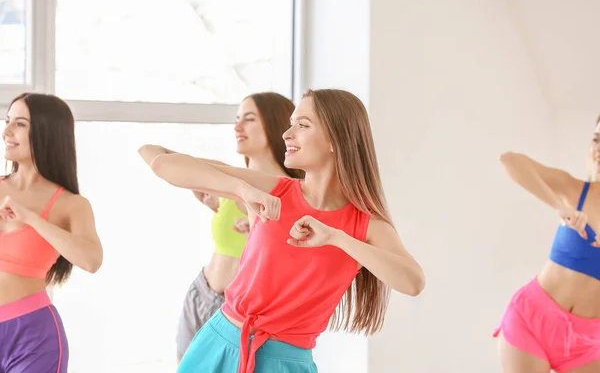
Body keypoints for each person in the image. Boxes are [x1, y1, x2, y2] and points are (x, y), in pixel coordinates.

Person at [139, 88, 425, 373]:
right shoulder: (271, 189)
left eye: (302, 125)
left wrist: (336, 238)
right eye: (290, 124)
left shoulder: (366, 225)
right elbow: (164, 164)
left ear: (336, 139)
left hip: (285, 362)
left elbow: (413, 282)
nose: (287, 134)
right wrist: (242, 189)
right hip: (217, 343)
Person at [172, 92, 303, 361]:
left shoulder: (295, 193)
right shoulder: (229, 181)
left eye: (249, 118)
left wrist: (262, 231)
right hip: (201, 293)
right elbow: (157, 157)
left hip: (238, 315)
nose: (237, 127)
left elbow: (296, 264)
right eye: (237, 119)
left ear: (276, 125)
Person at [0, 93, 103, 372]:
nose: (6, 131)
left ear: (47, 131)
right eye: (8, 121)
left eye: (19, 124)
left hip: (33, 338)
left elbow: (91, 260)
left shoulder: (72, 205)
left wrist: (33, 219)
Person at [494, 116, 600, 373]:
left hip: (588, 343)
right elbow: (510, 160)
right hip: (531, 321)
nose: (598, 148)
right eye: (596, 139)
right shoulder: (576, 190)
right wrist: (559, 205)